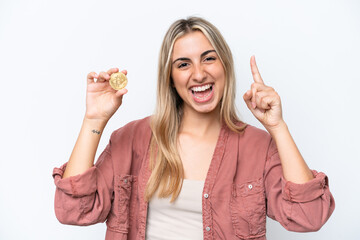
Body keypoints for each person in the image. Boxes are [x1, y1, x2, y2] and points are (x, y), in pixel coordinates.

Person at [52, 17, 335, 240]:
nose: (199, 74)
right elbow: (75, 210)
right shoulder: (131, 138)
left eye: (209, 58)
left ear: (225, 66)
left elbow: (308, 216)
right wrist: (94, 120)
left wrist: (278, 127)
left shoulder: (258, 147)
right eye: (183, 64)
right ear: (171, 78)